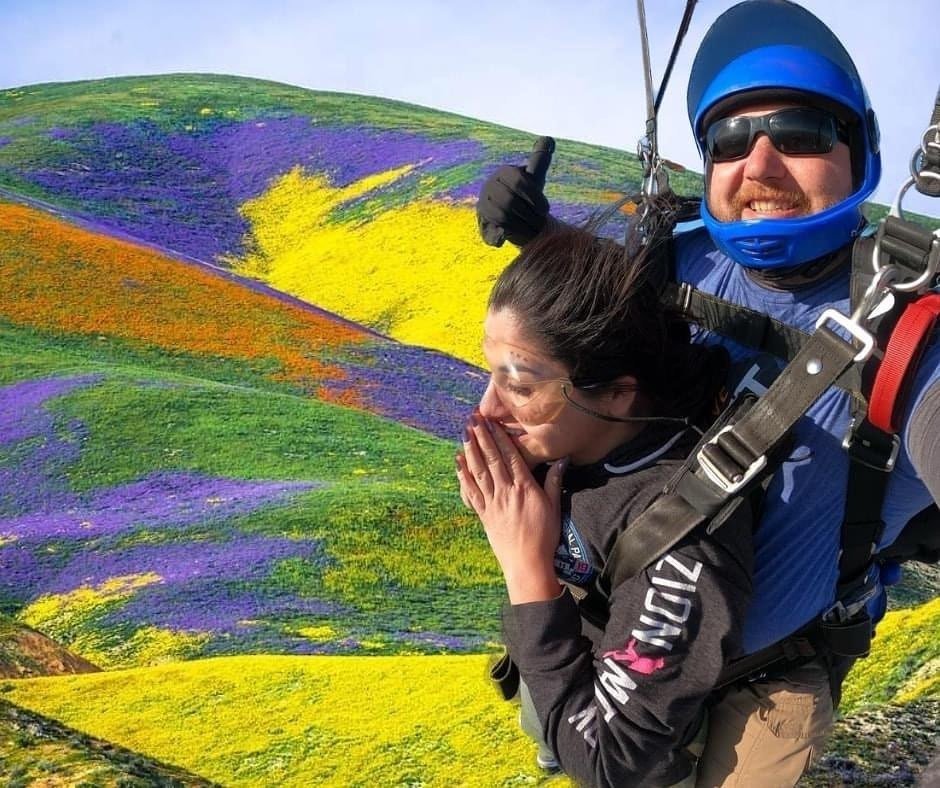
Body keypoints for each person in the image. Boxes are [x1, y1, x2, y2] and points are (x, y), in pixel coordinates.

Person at [474, 1, 940, 785]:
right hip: (621, 631)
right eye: (730, 140)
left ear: (858, 146)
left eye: (799, 133)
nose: (759, 166)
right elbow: (591, 331)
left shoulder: (913, 337)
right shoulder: (673, 260)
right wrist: (543, 237)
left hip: (766, 675)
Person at [457, 219, 754, 786]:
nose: (487, 410)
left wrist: (524, 568)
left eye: (520, 387)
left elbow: (612, 763)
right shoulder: (562, 439)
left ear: (618, 393)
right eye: (492, 375)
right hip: (564, 684)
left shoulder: (681, 533)